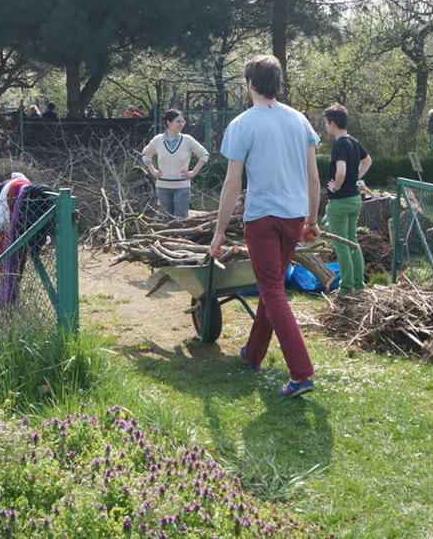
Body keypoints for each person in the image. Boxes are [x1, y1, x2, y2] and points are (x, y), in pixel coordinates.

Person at [209, 55, 321, 398]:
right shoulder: (299, 120)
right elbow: (313, 176)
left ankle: (302, 373)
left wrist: (218, 233)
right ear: (278, 83)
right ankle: (253, 354)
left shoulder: (242, 124)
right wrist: (312, 219)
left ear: (250, 84)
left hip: (261, 219)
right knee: (272, 288)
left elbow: (232, 185)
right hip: (292, 217)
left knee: (272, 291)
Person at [324, 103, 371, 294]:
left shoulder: (340, 144)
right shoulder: (354, 141)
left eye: (326, 123)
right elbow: (368, 161)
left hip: (341, 201)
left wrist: (337, 186)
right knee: (352, 242)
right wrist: (356, 178)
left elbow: (341, 170)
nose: (326, 127)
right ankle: (359, 286)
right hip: (355, 199)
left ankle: (346, 288)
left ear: (333, 123)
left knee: (341, 244)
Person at [141, 109, 209, 219]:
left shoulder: (187, 140)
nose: (182, 124)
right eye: (178, 121)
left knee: (181, 220)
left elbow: (204, 154)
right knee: (166, 219)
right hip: (162, 188)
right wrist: (152, 170)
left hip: (182, 188)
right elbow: (145, 154)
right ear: (168, 122)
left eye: (183, 122)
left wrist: (193, 172)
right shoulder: (158, 140)